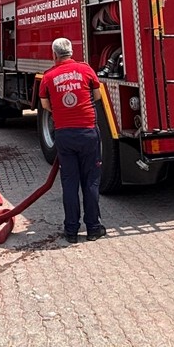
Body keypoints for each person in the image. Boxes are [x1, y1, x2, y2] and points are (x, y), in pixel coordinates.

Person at [39, 37, 106, 243]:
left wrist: (62, 109)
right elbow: (97, 95)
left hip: (64, 135)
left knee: (69, 183)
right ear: (71, 52)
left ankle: (71, 232)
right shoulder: (86, 70)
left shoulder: (48, 76)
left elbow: (45, 105)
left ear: (54, 55)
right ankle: (94, 228)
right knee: (91, 181)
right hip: (88, 133)